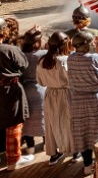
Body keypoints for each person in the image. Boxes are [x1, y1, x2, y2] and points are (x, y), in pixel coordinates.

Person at [68, 30, 98, 176]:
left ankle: (87, 165)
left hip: (78, 99)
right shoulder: (94, 58)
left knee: (83, 132)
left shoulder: (71, 58)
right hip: (97, 99)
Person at [0, 17, 33, 171]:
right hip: (9, 90)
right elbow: (24, 65)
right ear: (3, 32)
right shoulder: (10, 50)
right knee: (13, 124)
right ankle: (13, 160)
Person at [36, 31, 74, 166]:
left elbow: (40, 81)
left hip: (50, 94)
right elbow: (72, 80)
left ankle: (53, 154)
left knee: (51, 124)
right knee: (69, 122)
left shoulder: (42, 61)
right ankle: (74, 152)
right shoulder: (65, 60)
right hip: (66, 94)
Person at [20, 26, 46, 157]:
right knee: (46, 119)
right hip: (43, 89)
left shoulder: (21, 55)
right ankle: (47, 145)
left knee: (28, 120)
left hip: (26, 91)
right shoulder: (43, 55)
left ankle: (30, 147)